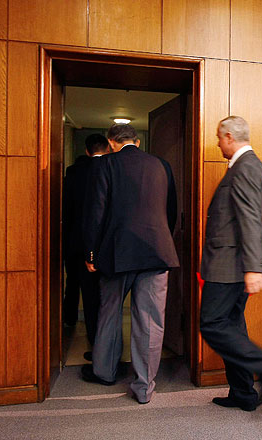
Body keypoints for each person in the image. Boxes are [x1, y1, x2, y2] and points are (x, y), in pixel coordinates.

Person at [81, 124, 178, 405]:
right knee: (150, 320)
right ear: (137, 141)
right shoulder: (162, 165)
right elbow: (170, 210)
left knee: (109, 312)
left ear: (112, 142)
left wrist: (91, 254)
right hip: (157, 252)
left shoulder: (105, 164)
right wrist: (162, 239)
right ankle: (144, 387)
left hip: (116, 253)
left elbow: (96, 212)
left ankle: (104, 372)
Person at [200, 116, 262, 412]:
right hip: (230, 264)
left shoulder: (246, 166)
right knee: (232, 327)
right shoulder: (242, 166)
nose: (216, 143)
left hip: (230, 266)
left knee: (212, 324)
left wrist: (254, 267)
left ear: (229, 136)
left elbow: (251, 220)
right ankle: (243, 394)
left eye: (218, 137)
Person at [62, 134, 109, 360]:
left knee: (76, 285)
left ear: (87, 150)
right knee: (101, 296)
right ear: (107, 148)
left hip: (76, 240)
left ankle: (70, 320)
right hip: (104, 243)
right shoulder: (111, 168)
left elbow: (67, 209)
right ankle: (102, 342)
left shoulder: (73, 172)